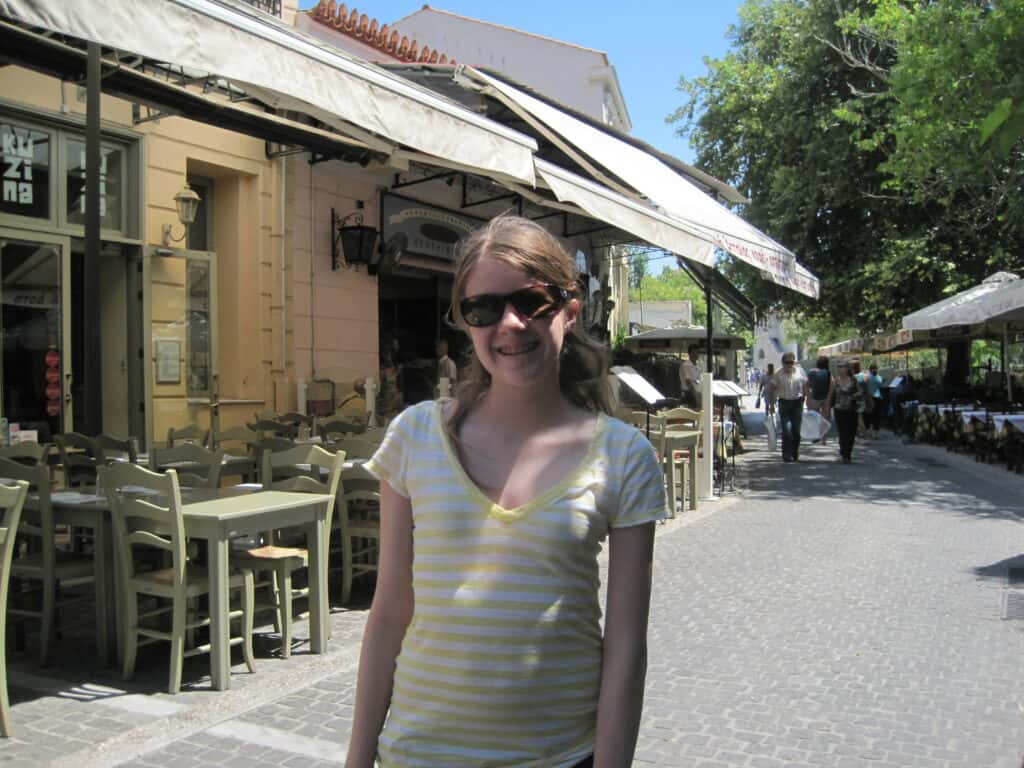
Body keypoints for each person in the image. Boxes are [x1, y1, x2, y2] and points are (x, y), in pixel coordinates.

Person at [346, 216, 669, 768]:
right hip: (418, 753)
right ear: (465, 324)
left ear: (571, 309)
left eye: (532, 302)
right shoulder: (416, 437)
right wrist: (357, 760)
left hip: (560, 755)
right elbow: (389, 614)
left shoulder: (623, 456)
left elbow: (625, 649)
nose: (510, 323)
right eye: (484, 308)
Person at [773, 353, 808, 462]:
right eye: (787, 363)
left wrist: (806, 398)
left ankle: (794, 452)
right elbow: (773, 388)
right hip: (784, 403)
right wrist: (771, 404)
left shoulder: (799, 371)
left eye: (792, 362)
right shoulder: (778, 373)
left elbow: (805, 385)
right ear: (783, 363)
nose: (790, 365)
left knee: (796, 431)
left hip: (797, 403)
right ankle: (786, 454)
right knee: (787, 430)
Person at [827, 361, 862, 463]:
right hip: (839, 410)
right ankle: (844, 453)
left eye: (841, 366)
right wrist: (828, 409)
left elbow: (859, 395)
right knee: (842, 432)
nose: (839, 369)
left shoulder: (854, 380)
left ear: (847, 368)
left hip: (852, 410)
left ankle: (848, 452)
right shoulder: (835, 381)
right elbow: (830, 395)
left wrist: (860, 412)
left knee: (851, 432)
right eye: (838, 367)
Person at [805, 356, 831, 444]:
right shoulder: (827, 372)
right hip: (825, 398)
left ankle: (816, 435)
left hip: (815, 397)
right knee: (825, 418)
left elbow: (806, 385)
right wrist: (829, 397)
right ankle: (824, 439)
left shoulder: (812, 372)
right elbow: (832, 384)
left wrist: (808, 396)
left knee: (815, 418)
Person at [678, 344, 703, 408]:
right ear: (689, 354)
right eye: (693, 352)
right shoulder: (686, 365)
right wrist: (696, 398)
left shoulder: (699, 366)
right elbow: (689, 382)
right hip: (689, 394)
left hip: (698, 393)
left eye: (697, 352)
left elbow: (699, 381)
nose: (696, 354)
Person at [864, 363, 884, 437]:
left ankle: (868, 430)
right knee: (876, 415)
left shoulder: (866, 377)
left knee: (868, 414)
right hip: (877, 397)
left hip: (869, 398)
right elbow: (881, 386)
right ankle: (876, 432)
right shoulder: (879, 377)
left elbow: (865, 387)